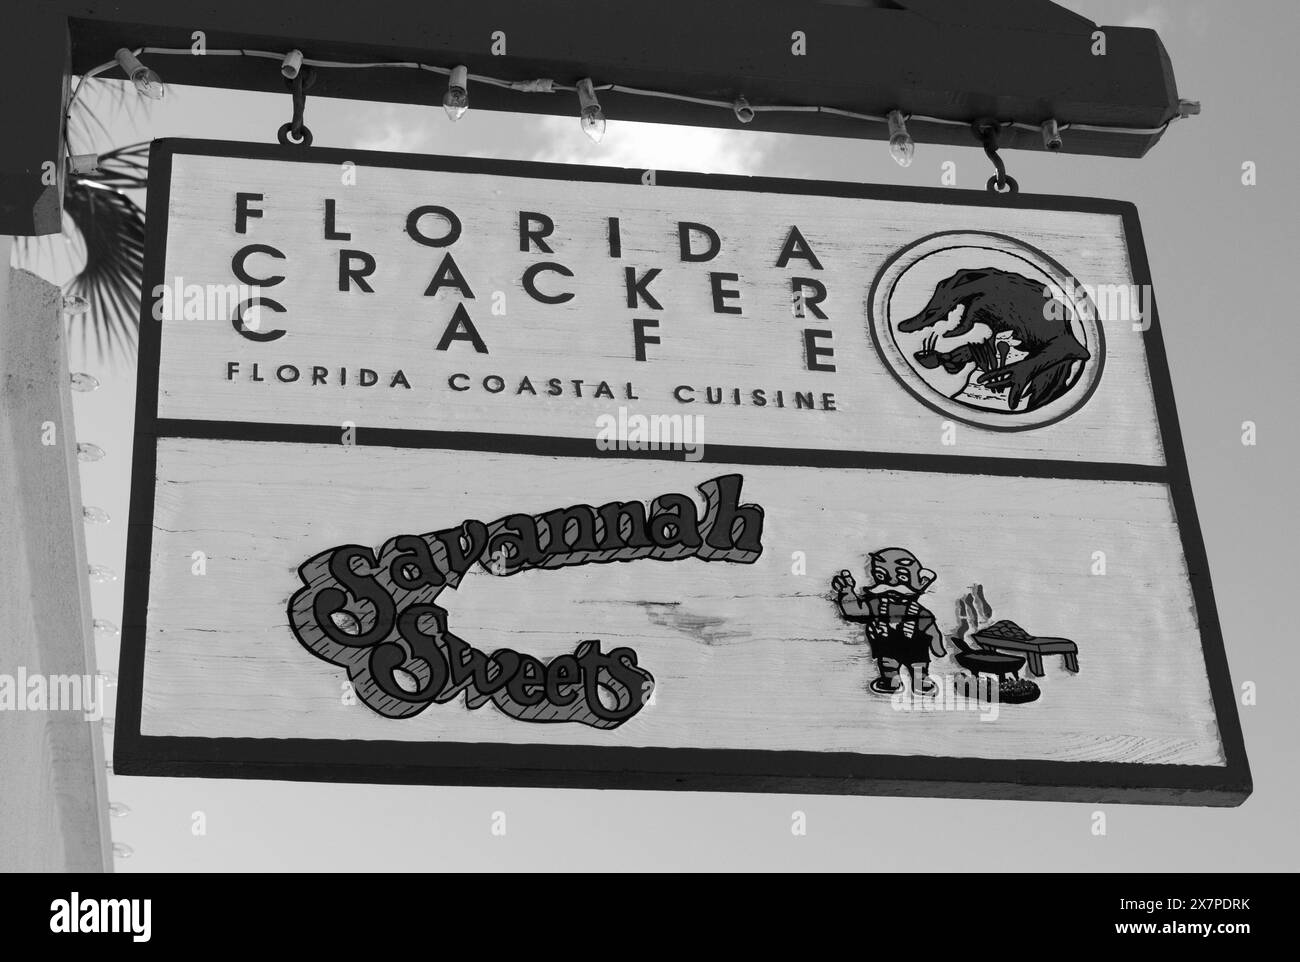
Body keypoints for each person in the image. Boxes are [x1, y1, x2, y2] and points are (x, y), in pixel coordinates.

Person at [832, 547, 946, 695]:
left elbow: (931, 630)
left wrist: (938, 648)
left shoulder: (920, 613)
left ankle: (921, 682)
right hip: (888, 647)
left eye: (903, 577)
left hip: (916, 648)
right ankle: (891, 682)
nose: (892, 583)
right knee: (888, 664)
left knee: (918, 666)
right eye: (881, 576)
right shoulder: (877, 605)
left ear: (920, 581)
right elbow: (854, 611)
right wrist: (847, 593)